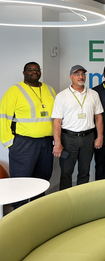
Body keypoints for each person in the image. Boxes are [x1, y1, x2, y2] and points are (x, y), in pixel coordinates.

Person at [0, 62, 56, 208]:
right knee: (21, 181)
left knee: (43, 178)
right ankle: (20, 212)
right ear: (24, 72)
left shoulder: (49, 89)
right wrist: (9, 143)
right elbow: (3, 117)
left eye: (37, 69)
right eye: (30, 70)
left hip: (45, 143)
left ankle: (37, 210)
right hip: (24, 144)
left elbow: (57, 116)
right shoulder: (14, 91)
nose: (34, 72)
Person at [52, 65, 103, 190]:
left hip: (88, 138)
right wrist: (57, 143)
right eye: (77, 74)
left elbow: (98, 117)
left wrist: (100, 137)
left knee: (84, 171)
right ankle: (65, 201)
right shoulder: (62, 96)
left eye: (83, 74)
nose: (81, 76)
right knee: (66, 172)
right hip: (68, 139)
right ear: (70, 77)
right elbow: (57, 122)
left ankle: (82, 199)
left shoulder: (93, 94)